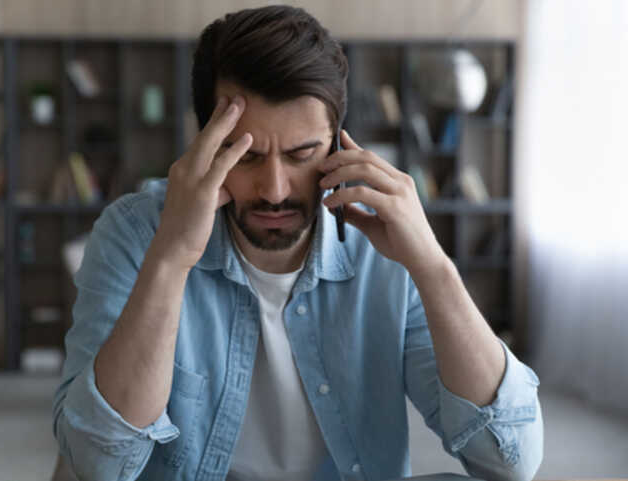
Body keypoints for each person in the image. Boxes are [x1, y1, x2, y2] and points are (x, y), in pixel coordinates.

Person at [52, 5, 543, 481]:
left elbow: (510, 460)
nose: (275, 189)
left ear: (337, 146)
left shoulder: (384, 244)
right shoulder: (135, 233)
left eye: (301, 154)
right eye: (245, 157)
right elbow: (98, 464)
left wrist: (433, 268)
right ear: (204, 144)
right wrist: (171, 259)